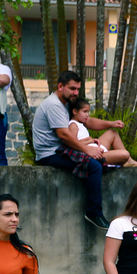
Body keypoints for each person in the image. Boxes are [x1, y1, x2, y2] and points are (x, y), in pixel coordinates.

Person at [32, 70, 124, 229]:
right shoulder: (54, 105)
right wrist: (87, 150)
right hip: (50, 153)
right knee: (94, 165)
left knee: (96, 163)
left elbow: (88, 121)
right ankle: (93, 212)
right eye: (72, 88)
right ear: (60, 87)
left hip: (62, 149)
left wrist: (111, 124)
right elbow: (64, 135)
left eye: (78, 89)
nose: (76, 93)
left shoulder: (66, 103)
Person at [68, 97, 132, 166]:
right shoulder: (73, 125)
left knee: (112, 132)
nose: (87, 115)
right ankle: (127, 162)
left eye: (88, 112)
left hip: (97, 148)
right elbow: (72, 144)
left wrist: (92, 140)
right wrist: (90, 140)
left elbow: (91, 122)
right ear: (75, 111)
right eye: (85, 111)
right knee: (125, 154)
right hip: (94, 154)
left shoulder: (80, 123)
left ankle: (130, 161)